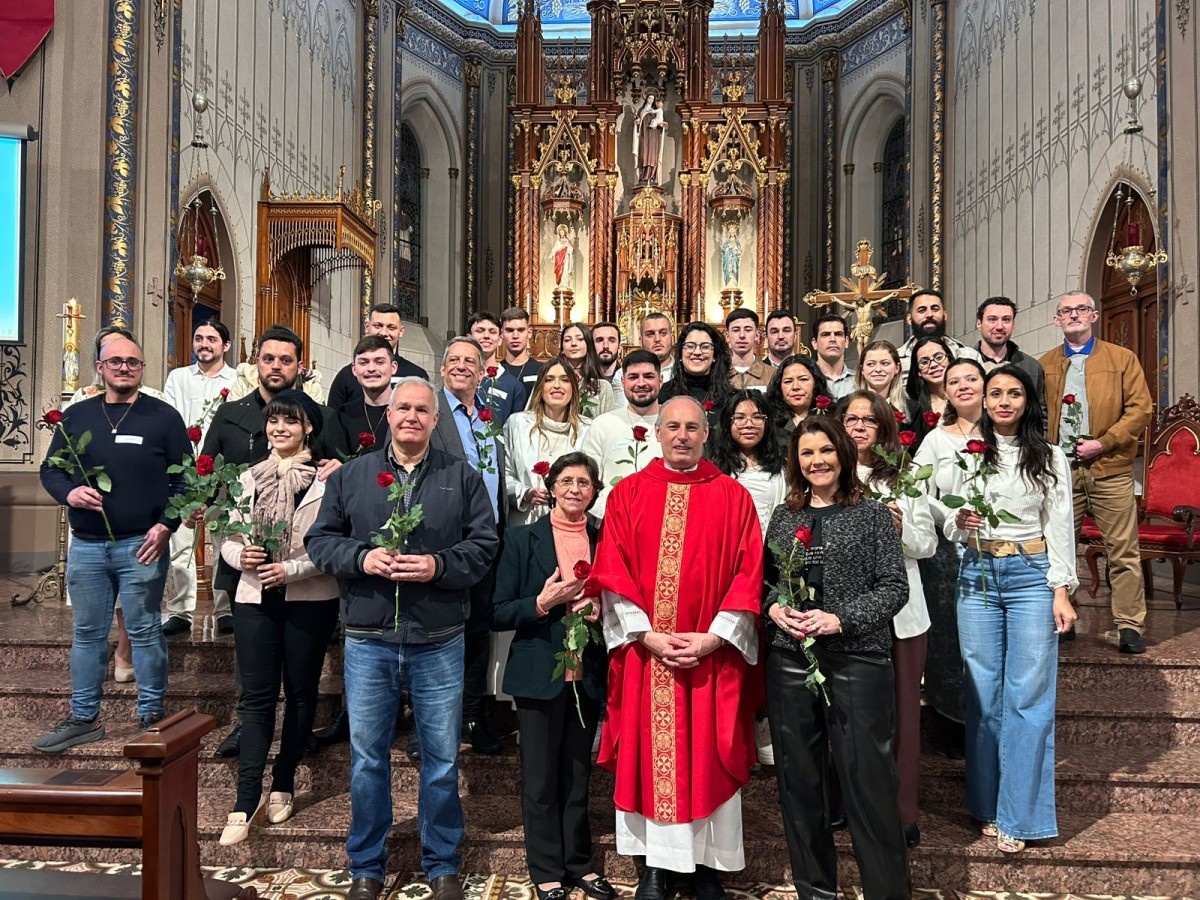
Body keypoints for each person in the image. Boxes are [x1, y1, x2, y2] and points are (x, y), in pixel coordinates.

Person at [305, 376, 499, 900]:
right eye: (403, 408)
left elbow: (484, 545)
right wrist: (362, 557)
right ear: (387, 415)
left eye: (422, 409)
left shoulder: (461, 478)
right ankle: (366, 865)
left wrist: (438, 565)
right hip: (369, 636)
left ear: (436, 421)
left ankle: (442, 864)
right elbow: (321, 541)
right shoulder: (351, 477)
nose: (411, 416)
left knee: (441, 758)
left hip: (438, 636)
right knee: (368, 757)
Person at [592, 395, 763, 900]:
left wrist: (714, 637)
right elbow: (612, 572)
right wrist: (645, 634)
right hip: (649, 657)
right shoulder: (627, 494)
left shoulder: (733, 497)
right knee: (652, 756)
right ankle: (655, 868)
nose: (683, 435)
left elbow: (748, 573)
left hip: (711, 657)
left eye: (692, 427)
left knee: (710, 752)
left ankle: (707, 866)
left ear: (707, 434)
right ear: (657, 433)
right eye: (673, 427)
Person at [762, 416, 911, 899]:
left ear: (843, 454)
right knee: (800, 785)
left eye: (825, 450)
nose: (817, 461)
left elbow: (895, 588)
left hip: (857, 661)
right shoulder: (785, 516)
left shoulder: (872, 514)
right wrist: (774, 607)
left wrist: (839, 618)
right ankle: (816, 891)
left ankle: (886, 893)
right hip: (791, 660)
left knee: (867, 785)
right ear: (796, 462)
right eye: (806, 453)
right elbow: (766, 583)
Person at [34, 335, 191, 752]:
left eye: (134, 363)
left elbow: (185, 479)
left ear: (142, 369)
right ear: (100, 368)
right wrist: (69, 493)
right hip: (87, 545)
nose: (125, 368)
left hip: (142, 543)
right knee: (87, 634)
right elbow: (52, 471)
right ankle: (84, 717)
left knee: (143, 631)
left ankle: (151, 714)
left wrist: (166, 527)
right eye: (116, 361)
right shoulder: (78, 417)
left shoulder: (164, 417)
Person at [945, 365, 1077, 853]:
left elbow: (1058, 523)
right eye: (994, 392)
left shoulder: (1050, 456)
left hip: (1030, 575)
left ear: (1027, 401)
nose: (1003, 401)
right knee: (982, 696)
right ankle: (987, 805)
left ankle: (1020, 818)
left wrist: (1061, 589)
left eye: (1013, 393)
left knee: (1029, 697)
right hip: (978, 572)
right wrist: (958, 520)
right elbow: (949, 526)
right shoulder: (966, 453)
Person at [203, 323, 340, 758]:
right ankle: (250, 724)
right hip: (247, 554)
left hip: (300, 561)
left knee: (301, 665)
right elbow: (210, 474)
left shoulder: (321, 416)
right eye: (269, 358)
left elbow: (336, 466)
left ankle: (297, 734)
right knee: (253, 658)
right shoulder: (230, 414)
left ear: (300, 366)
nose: (276, 366)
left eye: (286, 359)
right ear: (255, 362)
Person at [217, 390, 340, 845]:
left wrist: (290, 569)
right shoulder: (248, 477)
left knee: (302, 692)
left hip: (309, 596)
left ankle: (284, 780)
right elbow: (227, 534)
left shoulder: (328, 481)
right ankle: (245, 798)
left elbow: (331, 547)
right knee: (257, 697)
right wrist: (240, 555)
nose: (280, 429)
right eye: (274, 421)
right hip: (255, 597)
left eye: (291, 421)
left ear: (309, 427)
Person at [491, 452, 612, 900]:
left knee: (577, 775)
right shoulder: (523, 539)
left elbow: (623, 596)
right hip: (538, 674)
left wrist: (601, 611)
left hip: (587, 675)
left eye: (584, 482)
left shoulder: (606, 538)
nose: (575, 489)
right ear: (552, 487)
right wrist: (541, 603)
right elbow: (498, 611)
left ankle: (579, 863)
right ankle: (545, 870)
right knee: (541, 779)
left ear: (595, 491)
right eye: (567, 481)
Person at [840, 390, 937, 848]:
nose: (858, 427)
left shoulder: (904, 476)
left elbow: (927, 545)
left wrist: (899, 529)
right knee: (849, 717)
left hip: (900, 616)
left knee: (901, 717)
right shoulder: (827, 470)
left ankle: (902, 812)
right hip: (846, 615)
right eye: (851, 419)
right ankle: (848, 803)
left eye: (868, 421)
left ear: (883, 428)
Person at [1040, 291, 1153, 653]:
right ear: (1057, 320)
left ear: (1094, 315)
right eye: (1065, 311)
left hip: (1110, 467)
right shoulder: (1044, 365)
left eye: (1081, 309)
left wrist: (1104, 442)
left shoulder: (1121, 359)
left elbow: (1140, 409)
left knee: (1123, 550)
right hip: (1062, 471)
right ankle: (1065, 616)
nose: (1074, 315)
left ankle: (1129, 624)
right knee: (1059, 548)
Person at [431, 337, 509, 756]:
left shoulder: (487, 417)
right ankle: (436, 724)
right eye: (454, 360)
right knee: (439, 633)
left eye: (470, 362)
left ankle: (473, 716)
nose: (461, 367)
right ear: (442, 370)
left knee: (478, 632)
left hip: (486, 543)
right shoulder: (431, 411)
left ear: (482, 373)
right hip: (445, 545)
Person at [912, 357, 987, 756]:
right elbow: (919, 489)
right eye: (954, 381)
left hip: (997, 548)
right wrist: (951, 517)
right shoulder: (937, 438)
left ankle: (988, 721)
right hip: (948, 550)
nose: (963, 386)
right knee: (948, 636)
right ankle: (952, 723)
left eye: (971, 378)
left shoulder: (1005, 433)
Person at [161, 320, 238, 637]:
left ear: (226, 346)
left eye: (211, 338)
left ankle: (225, 610)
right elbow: (169, 418)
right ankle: (180, 611)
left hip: (222, 471)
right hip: (186, 469)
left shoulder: (237, 380)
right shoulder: (178, 377)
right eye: (198, 338)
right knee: (180, 542)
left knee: (224, 540)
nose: (204, 343)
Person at [579, 350, 664, 518]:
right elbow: (586, 480)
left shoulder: (674, 424)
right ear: (623, 382)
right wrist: (612, 515)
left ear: (660, 380)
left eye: (648, 376)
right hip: (612, 522)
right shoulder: (603, 425)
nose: (641, 383)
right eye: (633, 377)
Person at [504, 356, 587, 529]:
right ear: (540, 387)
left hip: (572, 526)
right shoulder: (517, 424)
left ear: (573, 388)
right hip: (526, 525)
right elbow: (504, 474)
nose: (557, 385)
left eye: (564, 380)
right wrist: (524, 493)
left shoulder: (588, 429)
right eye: (549, 380)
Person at [327, 303, 429, 412]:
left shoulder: (417, 375)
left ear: (401, 331)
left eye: (391, 327)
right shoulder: (346, 376)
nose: (384, 333)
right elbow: (333, 420)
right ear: (367, 327)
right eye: (378, 326)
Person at [974, 297, 1046, 408]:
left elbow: (1039, 412)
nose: (999, 326)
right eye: (992, 319)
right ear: (979, 324)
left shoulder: (1031, 366)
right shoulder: (965, 364)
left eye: (1006, 319)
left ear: (1013, 324)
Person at [333, 336, 398, 457]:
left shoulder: (406, 412)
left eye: (379, 362)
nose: (371, 369)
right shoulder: (343, 415)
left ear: (393, 368)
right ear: (354, 369)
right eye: (363, 362)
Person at [659, 321, 732, 423]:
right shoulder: (664, 394)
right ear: (680, 354)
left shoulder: (730, 398)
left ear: (714, 356)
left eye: (705, 346)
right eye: (690, 346)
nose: (697, 352)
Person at [896, 290, 982, 376]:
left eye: (935, 309)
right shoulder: (896, 360)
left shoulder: (969, 356)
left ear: (945, 315)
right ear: (909, 319)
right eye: (921, 310)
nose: (929, 314)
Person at [764, 354, 831, 457]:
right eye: (788, 381)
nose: (795, 387)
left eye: (803, 379)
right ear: (779, 387)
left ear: (815, 382)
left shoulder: (831, 416)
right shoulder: (769, 420)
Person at [470, 312, 525, 423]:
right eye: (480, 331)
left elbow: (516, 429)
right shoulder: (459, 377)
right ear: (469, 338)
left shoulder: (513, 386)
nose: (486, 336)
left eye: (492, 332)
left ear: (500, 339)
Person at [560, 322, 616, 421]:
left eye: (580, 339)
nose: (574, 343)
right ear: (562, 348)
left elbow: (608, 426)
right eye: (567, 340)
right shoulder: (550, 380)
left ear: (589, 345)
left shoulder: (602, 387)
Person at [905, 336, 956, 441]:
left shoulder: (966, 396)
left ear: (950, 360)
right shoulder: (912, 407)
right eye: (924, 362)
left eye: (939, 357)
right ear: (918, 371)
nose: (933, 365)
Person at [501, 306, 545, 403]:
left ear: (529, 333)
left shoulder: (542, 370)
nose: (515, 336)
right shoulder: (495, 371)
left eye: (521, 330)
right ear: (502, 333)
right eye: (510, 330)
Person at [855, 339, 907, 419]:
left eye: (885, 363)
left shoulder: (912, 409)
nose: (878, 369)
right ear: (862, 369)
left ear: (897, 368)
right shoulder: (845, 405)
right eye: (870, 364)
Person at [725, 309, 773, 390]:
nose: (742, 335)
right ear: (727, 336)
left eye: (748, 330)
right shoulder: (717, 373)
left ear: (757, 336)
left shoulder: (772, 374)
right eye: (736, 330)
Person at [810, 313, 855, 399]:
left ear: (846, 342)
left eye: (838, 334)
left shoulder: (859, 381)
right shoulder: (806, 380)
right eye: (826, 335)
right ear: (814, 343)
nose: (833, 339)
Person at [633, 93, 666, 185]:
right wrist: (638, 122)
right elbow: (639, 126)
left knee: (653, 155)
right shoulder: (642, 110)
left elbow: (659, 121)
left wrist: (661, 125)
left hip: (653, 136)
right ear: (646, 99)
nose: (650, 100)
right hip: (644, 136)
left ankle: (652, 175)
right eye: (649, 98)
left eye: (652, 99)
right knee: (644, 155)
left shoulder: (656, 111)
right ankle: (644, 175)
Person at [639, 312, 676, 383]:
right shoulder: (624, 374)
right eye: (650, 334)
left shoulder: (685, 372)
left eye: (663, 333)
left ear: (672, 339)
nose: (657, 339)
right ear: (641, 341)